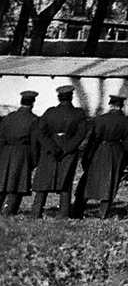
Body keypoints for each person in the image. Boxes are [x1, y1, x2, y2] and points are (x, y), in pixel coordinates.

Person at [74, 94, 128, 219]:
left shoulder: (100, 120)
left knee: (88, 181)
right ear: (121, 106)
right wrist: (124, 160)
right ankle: (103, 213)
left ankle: (77, 212)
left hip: (99, 151)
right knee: (110, 182)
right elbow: (127, 144)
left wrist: (87, 157)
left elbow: (93, 139)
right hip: (116, 153)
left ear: (110, 105)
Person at [30, 85, 88, 219]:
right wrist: (67, 148)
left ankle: (36, 212)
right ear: (71, 97)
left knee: (43, 182)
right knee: (65, 184)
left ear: (59, 98)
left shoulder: (49, 112)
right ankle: (64, 213)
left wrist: (52, 148)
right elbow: (81, 134)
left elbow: (40, 132)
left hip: (49, 151)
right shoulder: (78, 113)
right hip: (68, 151)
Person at [0, 91, 39, 215]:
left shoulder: (9, 117)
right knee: (17, 184)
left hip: (6, 151)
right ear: (32, 103)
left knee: (2, 182)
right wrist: (33, 160)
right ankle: (9, 211)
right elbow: (34, 143)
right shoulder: (34, 120)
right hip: (22, 153)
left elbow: (1, 137)